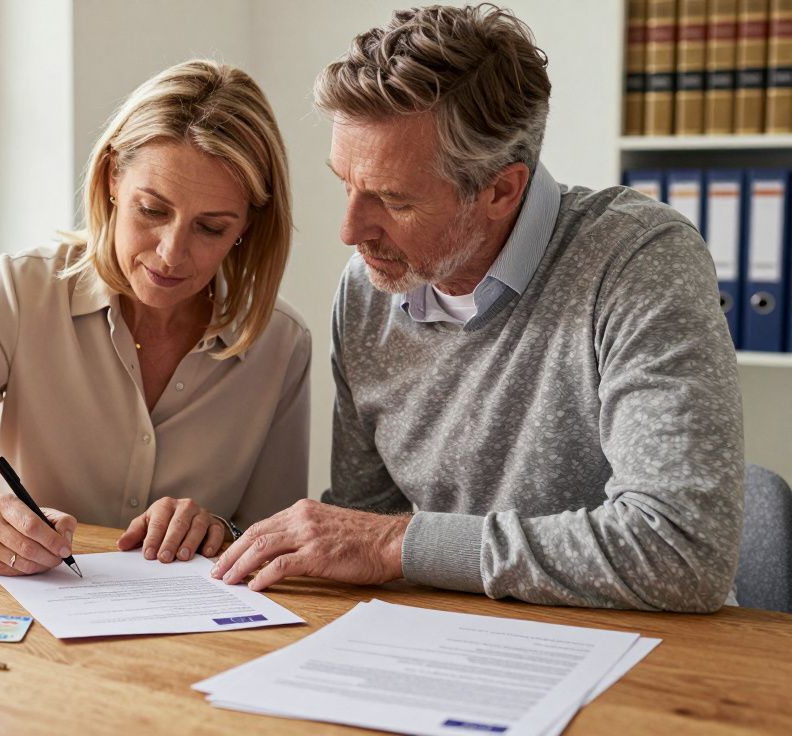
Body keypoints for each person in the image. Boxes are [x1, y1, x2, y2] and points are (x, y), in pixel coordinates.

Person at [212, 5, 744, 612]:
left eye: (392, 198)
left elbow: (682, 553)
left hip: (643, 654)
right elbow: (359, 533)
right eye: (345, 183)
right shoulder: (367, 290)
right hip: (454, 642)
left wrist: (400, 543)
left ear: (501, 190)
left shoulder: (638, 263)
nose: (351, 230)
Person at [0, 59, 310, 577]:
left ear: (248, 224)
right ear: (114, 177)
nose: (170, 254)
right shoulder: (22, 294)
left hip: (198, 639)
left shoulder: (281, 345)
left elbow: (280, 535)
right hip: (28, 624)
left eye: (210, 228)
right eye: (152, 211)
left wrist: (219, 529)